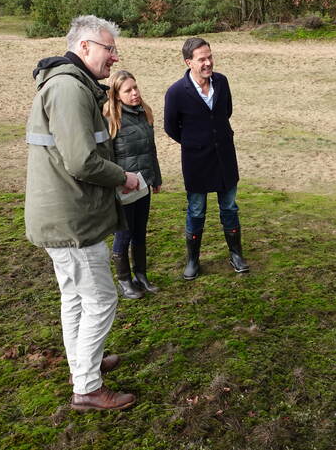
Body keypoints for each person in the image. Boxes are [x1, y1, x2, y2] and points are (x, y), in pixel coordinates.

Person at [25, 15, 140, 411]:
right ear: (85, 46)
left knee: (75, 298)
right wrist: (123, 177)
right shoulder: (69, 89)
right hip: (73, 220)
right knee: (101, 300)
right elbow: (82, 161)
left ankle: (82, 366)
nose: (115, 56)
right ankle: (88, 388)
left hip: (65, 214)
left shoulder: (70, 85)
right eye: (109, 49)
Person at [163, 37, 250, 281]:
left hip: (224, 157)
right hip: (196, 161)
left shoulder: (222, 82)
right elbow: (171, 127)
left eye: (210, 57)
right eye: (202, 59)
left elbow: (226, 112)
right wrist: (194, 142)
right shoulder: (176, 92)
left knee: (230, 207)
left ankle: (236, 254)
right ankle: (193, 261)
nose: (208, 63)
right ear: (188, 62)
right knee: (196, 210)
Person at [103, 70, 162, 299]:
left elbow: (151, 149)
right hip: (123, 188)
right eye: (128, 90)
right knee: (124, 235)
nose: (135, 93)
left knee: (140, 232)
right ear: (116, 95)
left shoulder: (144, 112)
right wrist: (119, 180)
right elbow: (107, 156)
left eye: (136, 87)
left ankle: (141, 275)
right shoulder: (110, 119)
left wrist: (155, 178)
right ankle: (124, 281)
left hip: (143, 184)